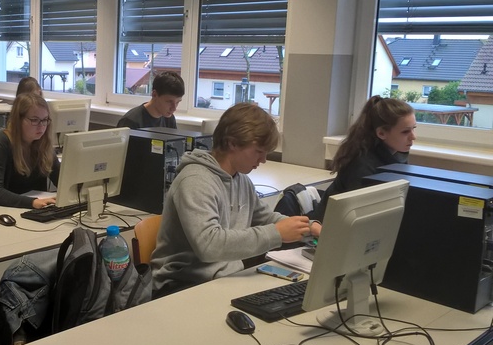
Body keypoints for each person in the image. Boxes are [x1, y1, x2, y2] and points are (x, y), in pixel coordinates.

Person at [151, 102, 312, 298]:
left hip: (223, 278)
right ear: (232, 143)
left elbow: (265, 218)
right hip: (182, 285)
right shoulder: (195, 181)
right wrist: (276, 234)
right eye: (258, 151)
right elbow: (209, 245)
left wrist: (309, 228)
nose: (263, 160)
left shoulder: (241, 180)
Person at [309, 96, 415, 231]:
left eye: (414, 128)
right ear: (381, 133)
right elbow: (358, 219)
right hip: (328, 230)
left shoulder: (397, 156)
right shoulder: (361, 164)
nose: (413, 136)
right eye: (405, 131)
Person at [0, 92, 60, 209]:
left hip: (36, 210)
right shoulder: (1, 143)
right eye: (34, 120)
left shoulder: (43, 144)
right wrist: (32, 202)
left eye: (45, 120)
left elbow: (61, 180)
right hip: (6, 209)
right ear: (18, 120)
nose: (41, 126)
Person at [117, 71, 184, 129]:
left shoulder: (169, 119)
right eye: (169, 101)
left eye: (177, 102)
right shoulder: (130, 121)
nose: (174, 108)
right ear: (154, 95)